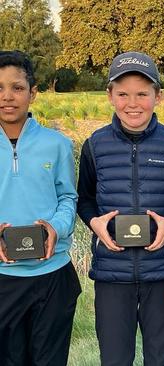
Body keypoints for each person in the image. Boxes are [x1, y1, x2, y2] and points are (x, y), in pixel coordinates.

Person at [77, 51, 164, 365]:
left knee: (161, 358)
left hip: (162, 274)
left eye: (142, 94)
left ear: (158, 96)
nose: (133, 103)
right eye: (123, 94)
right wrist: (95, 223)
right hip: (112, 275)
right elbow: (84, 200)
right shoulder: (94, 145)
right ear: (110, 96)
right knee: (114, 360)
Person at [0, 50, 80, 365]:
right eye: (0, 88)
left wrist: (54, 228)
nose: (7, 96)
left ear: (33, 92)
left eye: (17, 88)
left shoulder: (57, 144)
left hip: (53, 276)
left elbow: (68, 198)